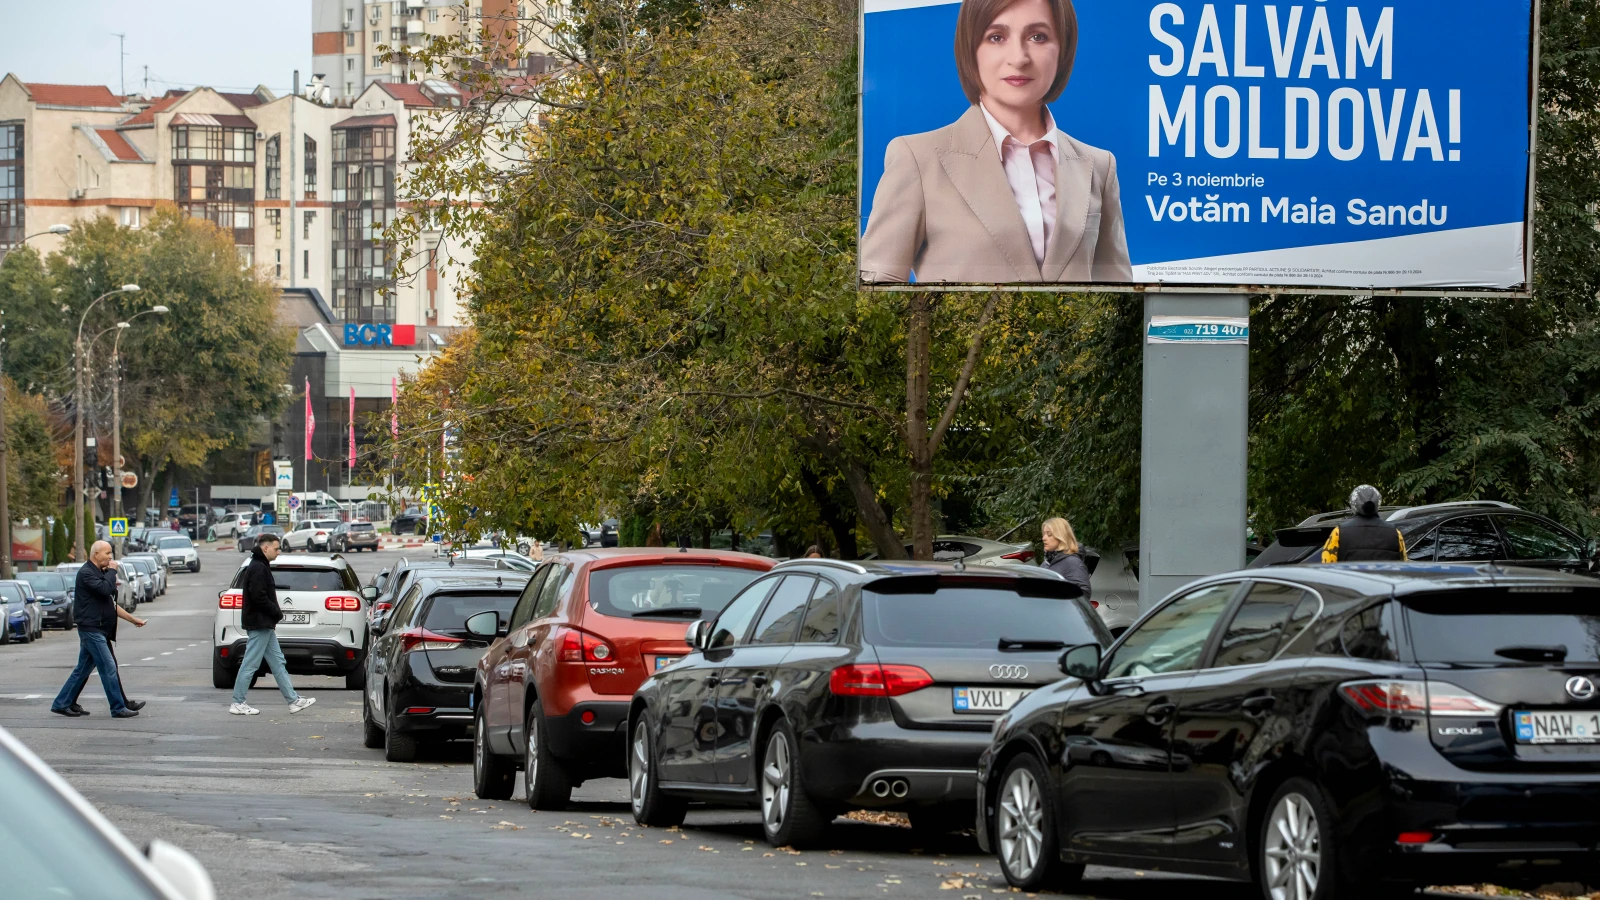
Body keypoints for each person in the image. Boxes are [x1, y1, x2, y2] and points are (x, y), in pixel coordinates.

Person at [860, 0, 1130, 285]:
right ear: (970, 49)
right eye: (996, 37)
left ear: (1063, 50)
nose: (1019, 57)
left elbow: (1121, 290)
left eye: (1038, 36)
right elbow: (876, 290)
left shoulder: (1099, 166)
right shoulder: (918, 159)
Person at [51, 541, 146, 719]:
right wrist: (112, 571)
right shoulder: (87, 573)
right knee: (108, 667)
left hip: (100, 629)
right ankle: (118, 708)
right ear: (96, 554)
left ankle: (63, 703)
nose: (111, 557)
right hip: (91, 629)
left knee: (84, 669)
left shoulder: (99, 573)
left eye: (111, 553)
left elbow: (111, 604)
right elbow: (105, 590)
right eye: (107, 553)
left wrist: (133, 620)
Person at [230, 534, 316, 716]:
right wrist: (276, 612)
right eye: (276, 548)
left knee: (278, 662)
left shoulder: (260, 565)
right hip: (259, 623)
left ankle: (293, 701)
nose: (278, 551)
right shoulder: (257, 567)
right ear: (265, 548)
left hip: (264, 624)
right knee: (250, 664)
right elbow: (258, 596)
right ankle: (238, 702)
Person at [1321, 485, 1408, 563]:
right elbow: (1404, 564)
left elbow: (1327, 566)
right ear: (1378, 503)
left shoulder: (1339, 532)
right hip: (1384, 581)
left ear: (1353, 504)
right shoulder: (1395, 533)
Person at [1039, 516, 1091, 600]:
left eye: (1049, 534)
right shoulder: (1046, 563)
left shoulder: (1073, 562)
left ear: (1061, 536)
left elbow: (1083, 594)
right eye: (1044, 534)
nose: (1044, 538)